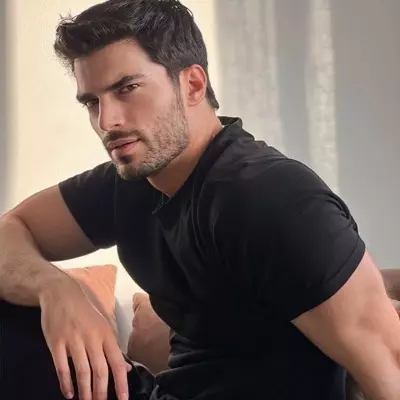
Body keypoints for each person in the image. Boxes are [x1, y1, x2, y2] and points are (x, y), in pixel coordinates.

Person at [1, 1, 400, 399]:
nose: (107, 121)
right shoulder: (131, 182)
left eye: (127, 89)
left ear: (193, 84)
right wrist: (55, 289)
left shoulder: (272, 198)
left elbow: (390, 365)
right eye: (92, 102)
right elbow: (11, 229)